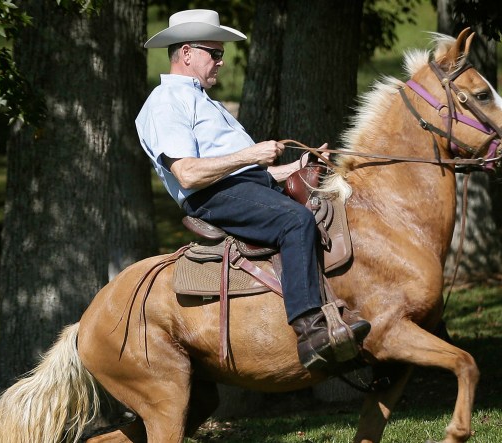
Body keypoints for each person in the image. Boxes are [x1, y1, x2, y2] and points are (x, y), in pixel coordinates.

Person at [135, 9, 369, 369]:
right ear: (186, 53)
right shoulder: (165, 103)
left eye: (221, 54)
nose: (221, 62)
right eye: (214, 53)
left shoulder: (203, 101)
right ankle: (310, 331)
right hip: (210, 197)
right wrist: (252, 153)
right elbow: (187, 173)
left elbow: (246, 173)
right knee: (295, 221)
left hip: (240, 188)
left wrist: (298, 167)